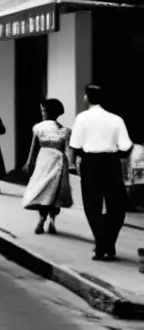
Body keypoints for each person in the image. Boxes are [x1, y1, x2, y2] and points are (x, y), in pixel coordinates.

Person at [70, 84, 132, 261]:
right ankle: (109, 242)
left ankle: (100, 243)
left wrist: (73, 165)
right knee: (116, 205)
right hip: (111, 163)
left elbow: (75, 145)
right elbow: (126, 146)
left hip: (90, 163)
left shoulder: (82, 118)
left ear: (87, 98)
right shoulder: (116, 119)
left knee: (92, 205)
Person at [22, 99, 73, 235]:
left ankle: (42, 219)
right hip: (58, 161)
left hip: (44, 160)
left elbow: (33, 147)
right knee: (55, 192)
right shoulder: (66, 131)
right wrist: (72, 165)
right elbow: (68, 150)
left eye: (44, 111)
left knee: (43, 189)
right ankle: (51, 220)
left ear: (49, 112)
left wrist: (29, 162)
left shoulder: (38, 127)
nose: (43, 113)